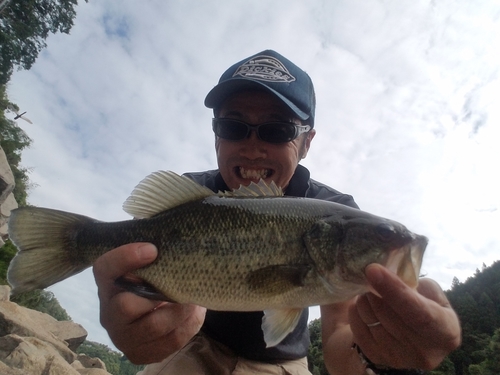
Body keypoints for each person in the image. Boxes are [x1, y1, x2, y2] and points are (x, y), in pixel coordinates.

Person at [93, 50, 461, 374]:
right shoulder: (192, 201)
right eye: (233, 126)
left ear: (306, 142)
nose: (252, 148)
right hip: (190, 346)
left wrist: (386, 358)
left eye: (277, 130)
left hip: (281, 364)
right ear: (216, 133)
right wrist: (131, 321)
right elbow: (134, 290)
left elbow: (338, 338)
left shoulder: (337, 211)